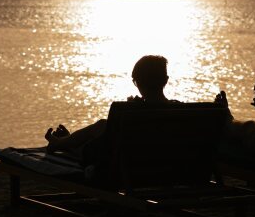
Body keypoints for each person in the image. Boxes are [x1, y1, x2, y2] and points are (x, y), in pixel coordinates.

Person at [44, 55, 175, 154]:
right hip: (166, 169)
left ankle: (63, 143)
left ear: (138, 82)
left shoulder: (129, 112)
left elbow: (110, 141)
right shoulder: (182, 111)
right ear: (166, 80)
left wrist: (130, 110)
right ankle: (68, 141)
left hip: (131, 168)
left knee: (102, 126)